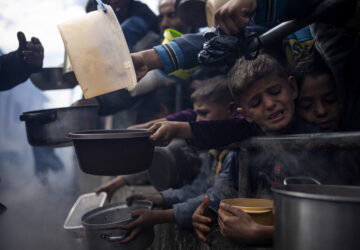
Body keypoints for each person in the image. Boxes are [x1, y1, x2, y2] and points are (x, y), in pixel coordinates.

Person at [188, 53, 320, 245]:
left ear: (292, 88)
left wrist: (264, 234)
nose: (269, 104)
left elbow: (332, 223)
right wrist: (208, 212)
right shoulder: (246, 150)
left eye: (275, 92)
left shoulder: (319, 145)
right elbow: (229, 195)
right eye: (256, 103)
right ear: (245, 114)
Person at [115, 76, 240, 243]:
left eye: (203, 113)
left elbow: (217, 197)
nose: (197, 122)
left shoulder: (235, 152)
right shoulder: (215, 149)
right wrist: (161, 198)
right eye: (196, 115)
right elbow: (199, 187)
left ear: (231, 110)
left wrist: (161, 216)